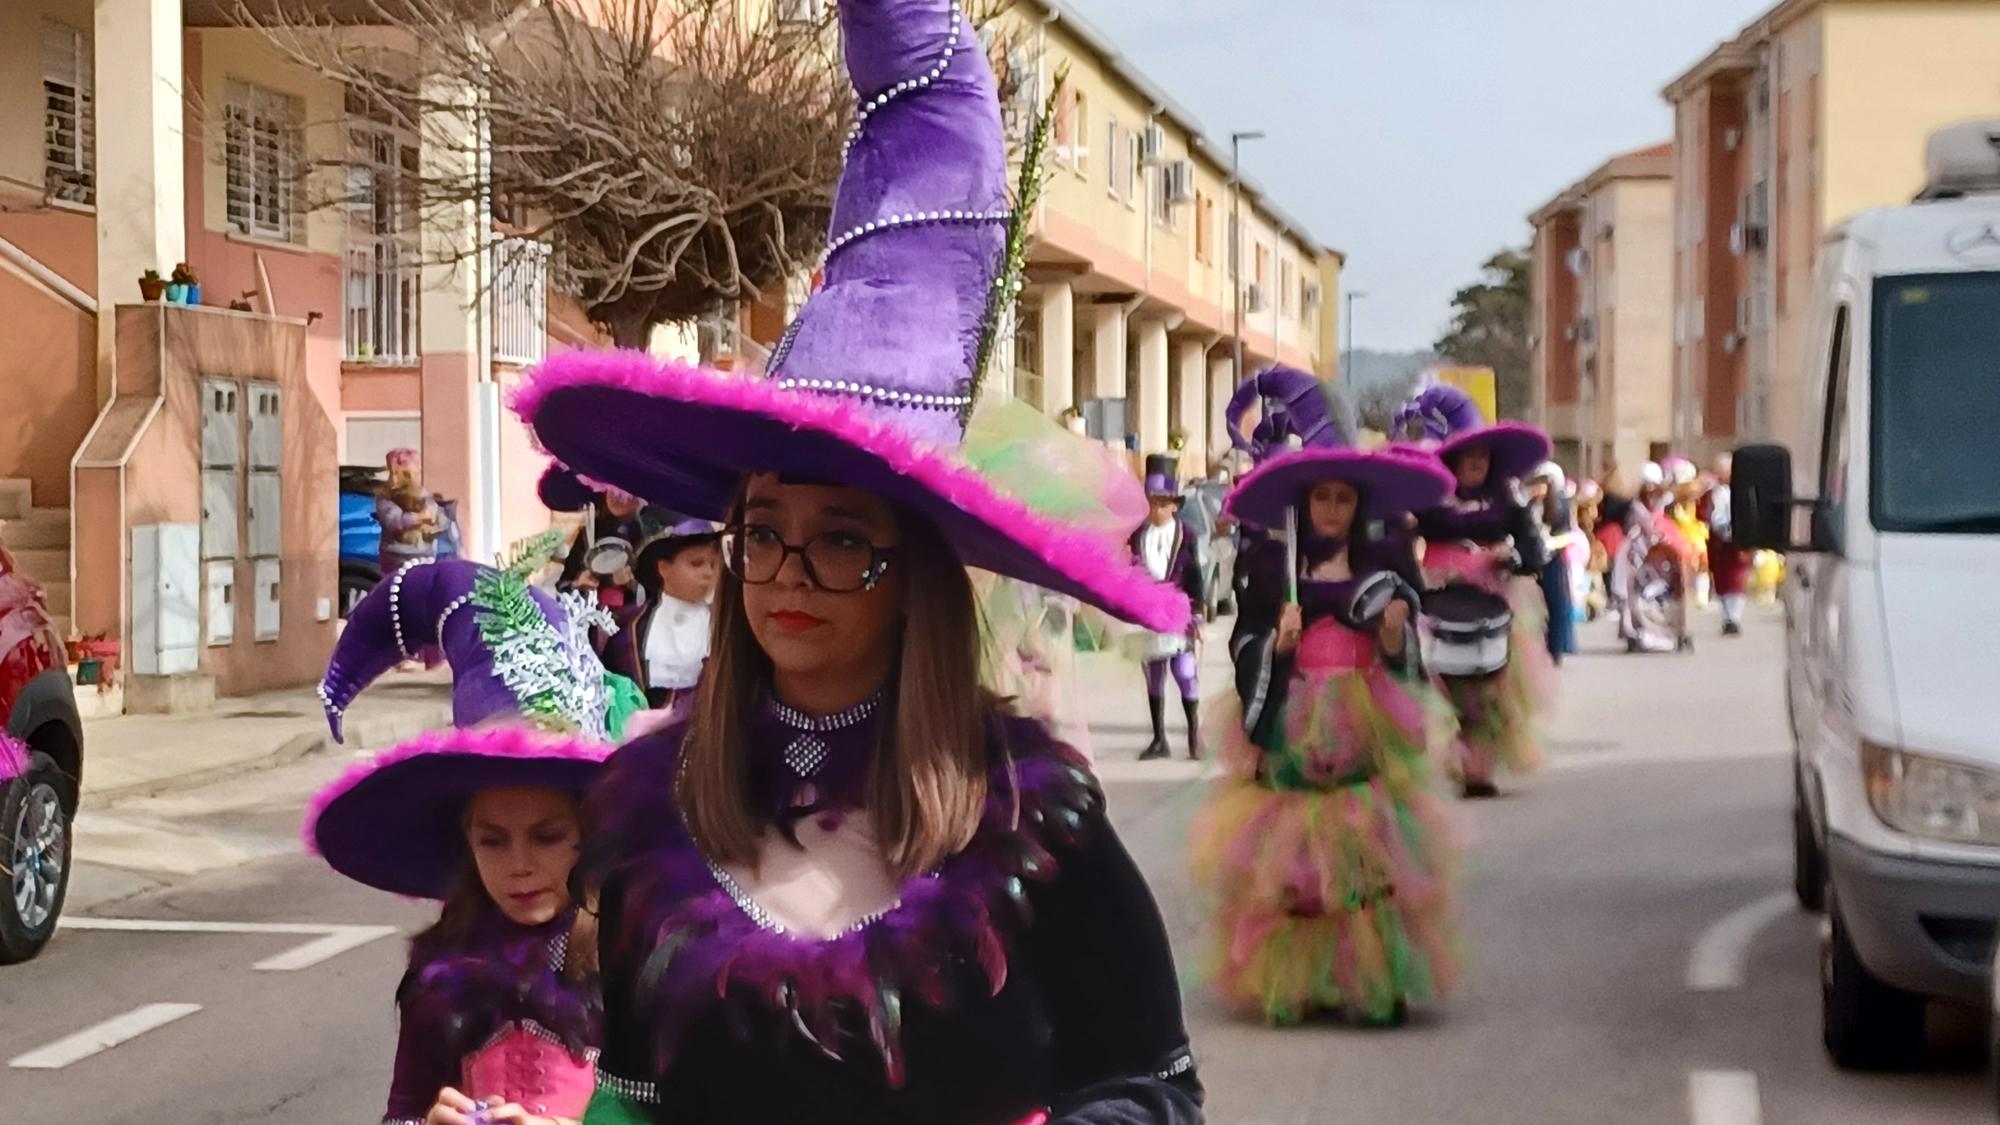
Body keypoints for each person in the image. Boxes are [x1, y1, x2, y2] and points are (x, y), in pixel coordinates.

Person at [512, 3, 1203, 1121]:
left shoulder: (1031, 814)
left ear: (916, 570)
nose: (785, 570)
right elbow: (632, 1099)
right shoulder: (660, 809)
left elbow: (1151, 1083)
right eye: (763, 528)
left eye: (839, 538)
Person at [309, 556, 640, 1125]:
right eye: (492, 841)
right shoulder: (443, 965)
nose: (519, 865)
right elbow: (403, 1109)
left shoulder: (636, 955)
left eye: (547, 837)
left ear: (591, 833)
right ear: (465, 841)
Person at [1191, 368, 1460, 1028]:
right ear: (1304, 503)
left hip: (1366, 720)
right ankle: (1301, 980)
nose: (1333, 509)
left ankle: (1373, 980)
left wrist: (1396, 630)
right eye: (1322, 499)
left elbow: (1409, 641)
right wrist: (1275, 645)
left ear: (1358, 504)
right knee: (1297, 867)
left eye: (1344, 498)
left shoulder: (1385, 560)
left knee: (1368, 859)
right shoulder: (1272, 569)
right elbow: (1245, 644)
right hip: (1296, 716)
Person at [1399, 384, 1556, 798]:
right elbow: (1396, 539)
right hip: (1437, 597)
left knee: (1489, 690)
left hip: (1495, 601)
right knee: (1436, 682)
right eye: (1469, 457)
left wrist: (1512, 557)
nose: (1476, 464)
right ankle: (1442, 762)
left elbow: (1534, 548)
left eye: (1483, 457)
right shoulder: (1430, 496)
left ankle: (1478, 769)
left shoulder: (1508, 497)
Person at [598, 520, 723, 711]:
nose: (707, 573)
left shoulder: (725, 629)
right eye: (696, 564)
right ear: (664, 568)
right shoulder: (626, 627)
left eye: (713, 565)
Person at [1128, 454, 1205, 761]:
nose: (1156, 509)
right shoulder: (1137, 536)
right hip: (1148, 617)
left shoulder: (1186, 536)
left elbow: (1195, 576)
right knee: (1154, 675)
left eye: (1162, 503)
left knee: (1185, 672)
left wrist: (1197, 615)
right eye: (1151, 502)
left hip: (1178, 614)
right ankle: (1159, 738)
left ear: (1174, 505)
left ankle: (1193, 733)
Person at [1527, 462, 1579, 664]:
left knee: (1556, 604)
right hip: (1533, 561)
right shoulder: (1529, 505)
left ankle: (1555, 648)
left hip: (1553, 561)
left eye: (1543, 484)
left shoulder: (1561, 506)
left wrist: (1552, 543)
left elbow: (1568, 534)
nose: (1538, 489)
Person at [376, 448, 447, 583]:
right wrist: (421, 517)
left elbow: (437, 515)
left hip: (424, 553)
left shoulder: (421, 492)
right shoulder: (386, 496)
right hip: (399, 557)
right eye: (415, 465)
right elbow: (396, 521)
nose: (419, 470)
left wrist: (436, 519)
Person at [1702, 454, 1752, 637]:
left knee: (1737, 579)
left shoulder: (1742, 489)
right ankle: (1726, 617)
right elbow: (1709, 514)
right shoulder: (1713, 491)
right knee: (1722, 580)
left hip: (1738, 539)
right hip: (1718, 541)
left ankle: (1734, 618)